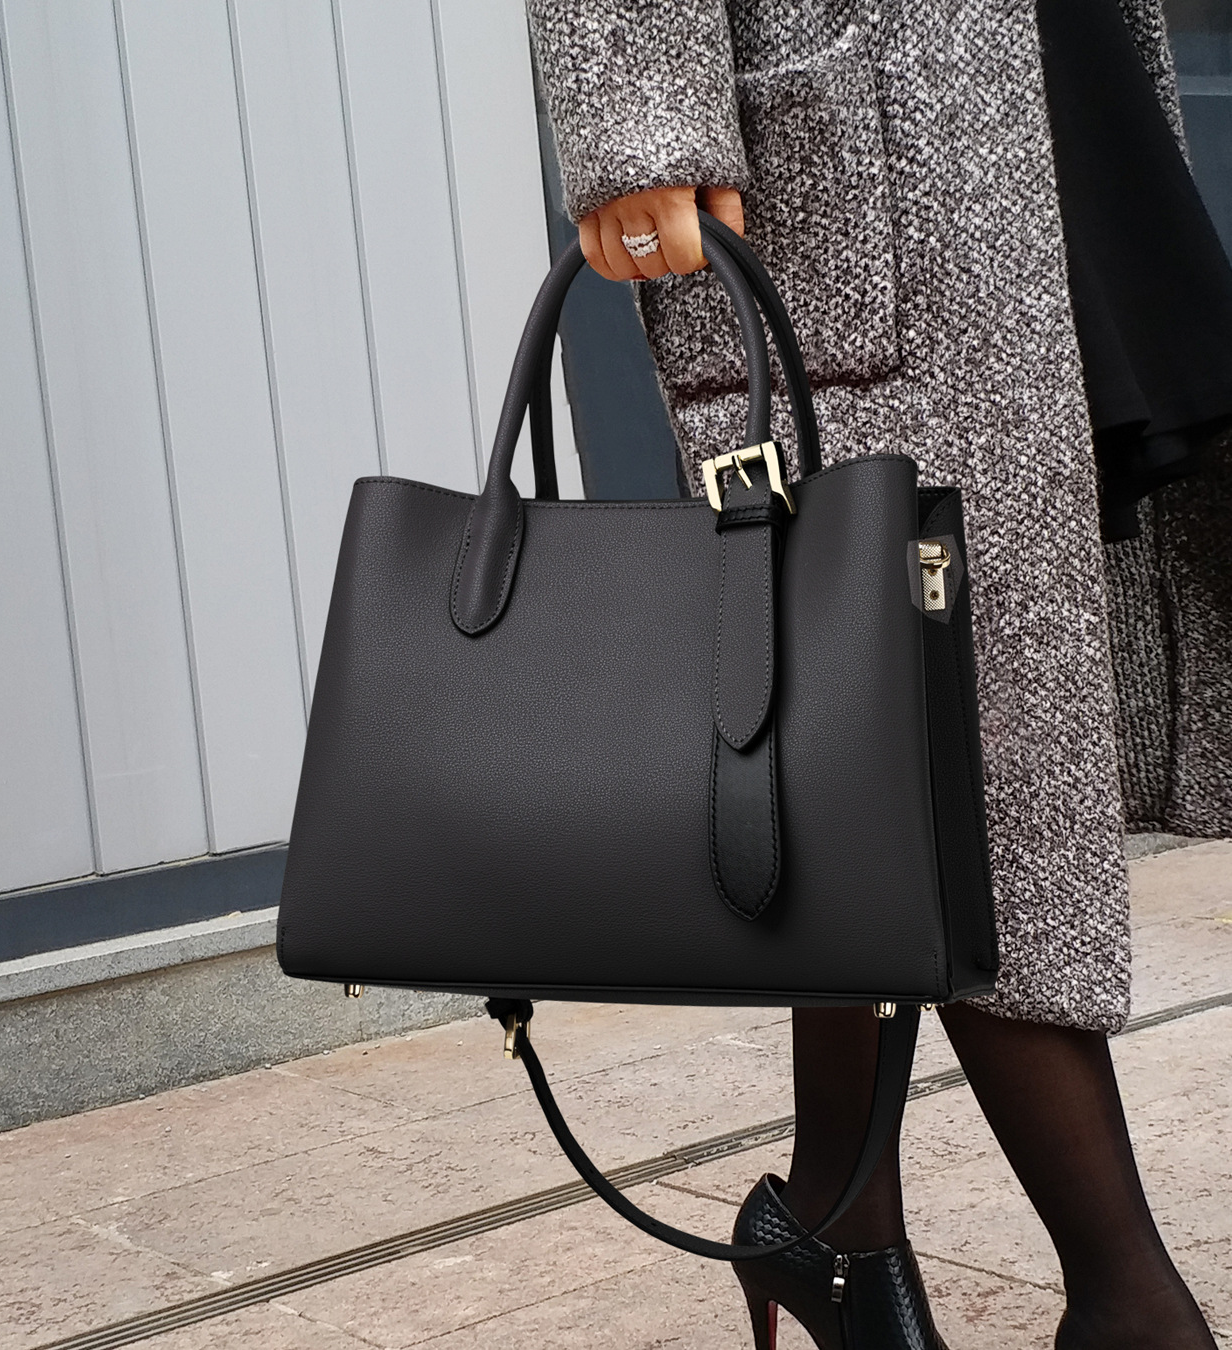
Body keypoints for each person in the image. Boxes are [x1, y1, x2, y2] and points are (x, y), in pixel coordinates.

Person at [526, 0, 1232, 1346]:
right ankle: (1126, 1300)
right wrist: (639, 122)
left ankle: (833, 1223)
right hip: (871, 145)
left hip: (1044, 95)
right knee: (953, 738)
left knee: (866, 748)